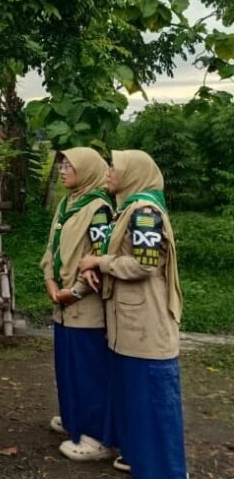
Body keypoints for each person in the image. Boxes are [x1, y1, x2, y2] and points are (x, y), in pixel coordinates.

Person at [78, 150, 185, 477]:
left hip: (145, 325)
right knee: (136, 401)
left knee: (153, 401)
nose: (109, 172)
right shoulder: (129, 209)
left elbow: (145, 263)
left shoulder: (144, 213)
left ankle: (165, 470)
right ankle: (142, 460)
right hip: (129, 324)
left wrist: (99, 262)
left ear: (133, 173)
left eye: (115, 167)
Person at [39, 148, 114, 461]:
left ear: (86, 170)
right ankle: (74, 420)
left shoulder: (98, 209)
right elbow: (51, 248)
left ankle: (97, 437)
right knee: (67, 368)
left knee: (88, 371)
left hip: (85, 307)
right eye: (62, 165)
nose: (63, 171)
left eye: (70, 165)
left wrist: (76, 291)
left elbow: (99, 258)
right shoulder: (67, 203)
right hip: (63, 304)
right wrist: (50, 281)